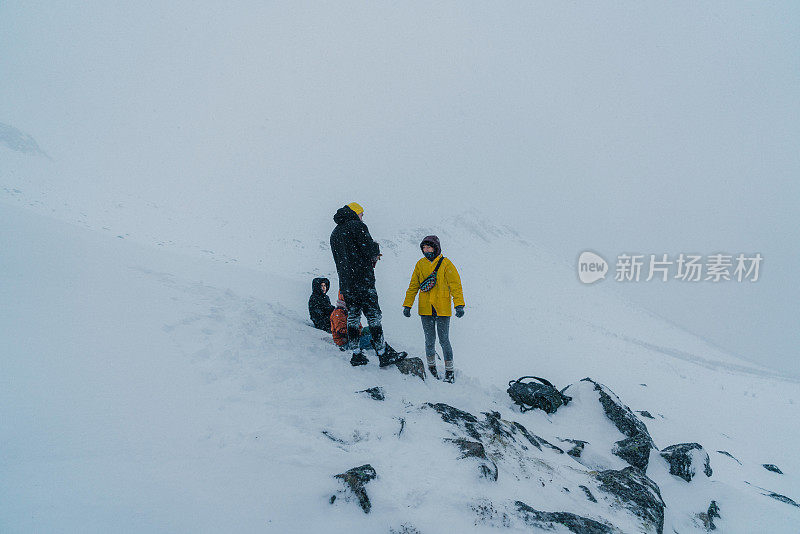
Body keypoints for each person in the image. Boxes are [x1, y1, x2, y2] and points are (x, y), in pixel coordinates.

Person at [330, 202, 406, 367]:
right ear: (355, 213)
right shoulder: (358, 226)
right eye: (361, 214)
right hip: (363, 281)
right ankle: (383, 354)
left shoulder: (334, 233)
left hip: (346, 284)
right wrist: (376, 248)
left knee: (352, 316)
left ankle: (356, 354)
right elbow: (370, 251)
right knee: (373, 316)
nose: (362, 217)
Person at [402, 235, 465, 383]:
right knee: (429, 340)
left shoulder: (446, 264)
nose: (426, 250)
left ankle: (449, 372)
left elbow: (455, 286)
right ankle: (432, 369)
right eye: (423, 248)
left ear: (436, 248)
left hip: (442, 309)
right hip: (425, 309)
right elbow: (413, 286)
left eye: (428, 247)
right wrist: (407, 304)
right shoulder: (420, 264)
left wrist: (459, 305)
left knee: (444, 340)